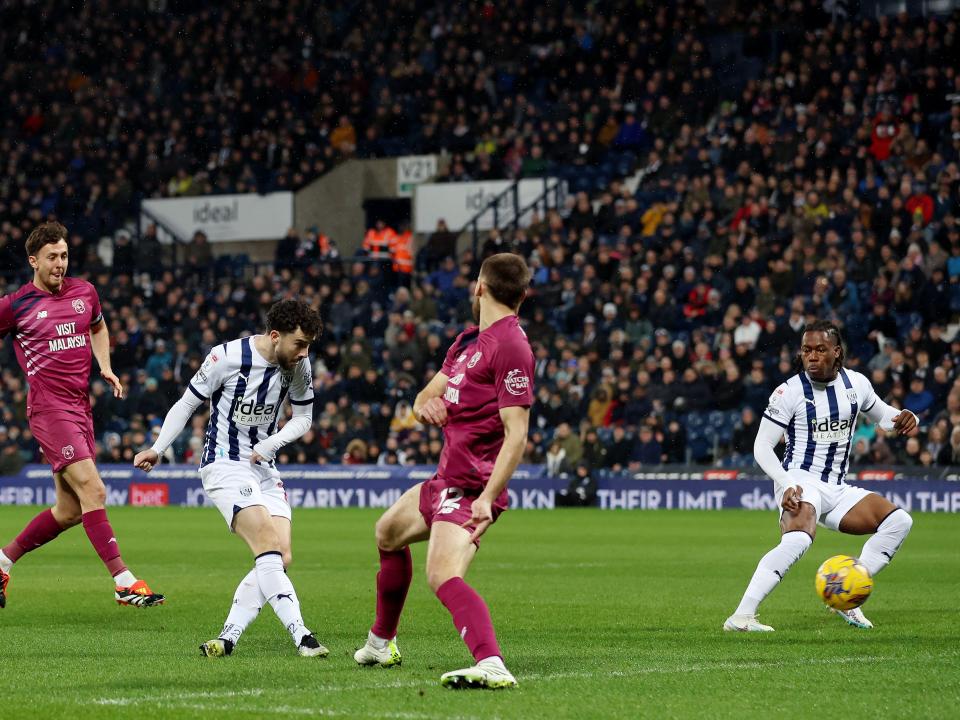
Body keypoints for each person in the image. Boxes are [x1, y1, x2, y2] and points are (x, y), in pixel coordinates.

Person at [353, 252, 534, 689]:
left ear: (479, 287)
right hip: (445, 480)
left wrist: (488, 498)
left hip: (473, 488)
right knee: (387, 533)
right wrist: (424, 408)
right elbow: (423, 398)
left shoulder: (511, 346)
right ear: (523, 295)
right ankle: (381, 643)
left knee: (441, 575)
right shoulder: (468, 342)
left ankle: (491, 663)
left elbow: (517, 435)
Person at [133, 299, 327, 658]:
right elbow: (187, 403)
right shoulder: (225, 357)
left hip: (264, 466)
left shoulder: (299, 364)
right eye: (300, 344)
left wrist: (270, 443)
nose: (304, 353)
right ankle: (302, 636)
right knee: (266, 542)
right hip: (224, 463)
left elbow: (304, 417)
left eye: (308, 346)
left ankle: (227, 638)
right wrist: (158, 448)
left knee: (281, 555)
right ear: (275, 336)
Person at [0, 221, 164, 609]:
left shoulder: (84, 292)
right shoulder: (15, 306)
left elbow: (98, 327)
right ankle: (123, 582)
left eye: (64, 255)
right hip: (49, 409)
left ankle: (2, 562)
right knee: (94, 489)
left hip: (80, 408)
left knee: (70, 510)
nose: (60, 263)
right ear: (33, 261)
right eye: (52, 257)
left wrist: (105, 365)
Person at [724, 321, 916, 632]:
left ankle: (846, 595)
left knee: (899, 522)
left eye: (820, 350)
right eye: (806, 350)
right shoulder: (789, 391)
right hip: (799, 481)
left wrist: (908, 417)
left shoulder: (856, 384)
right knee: (798, 539)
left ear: (836, 352)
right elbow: (761, 446)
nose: (811, 356)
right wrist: (786, 483)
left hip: (837, 488)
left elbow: (885, 417)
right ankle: (742, 616)